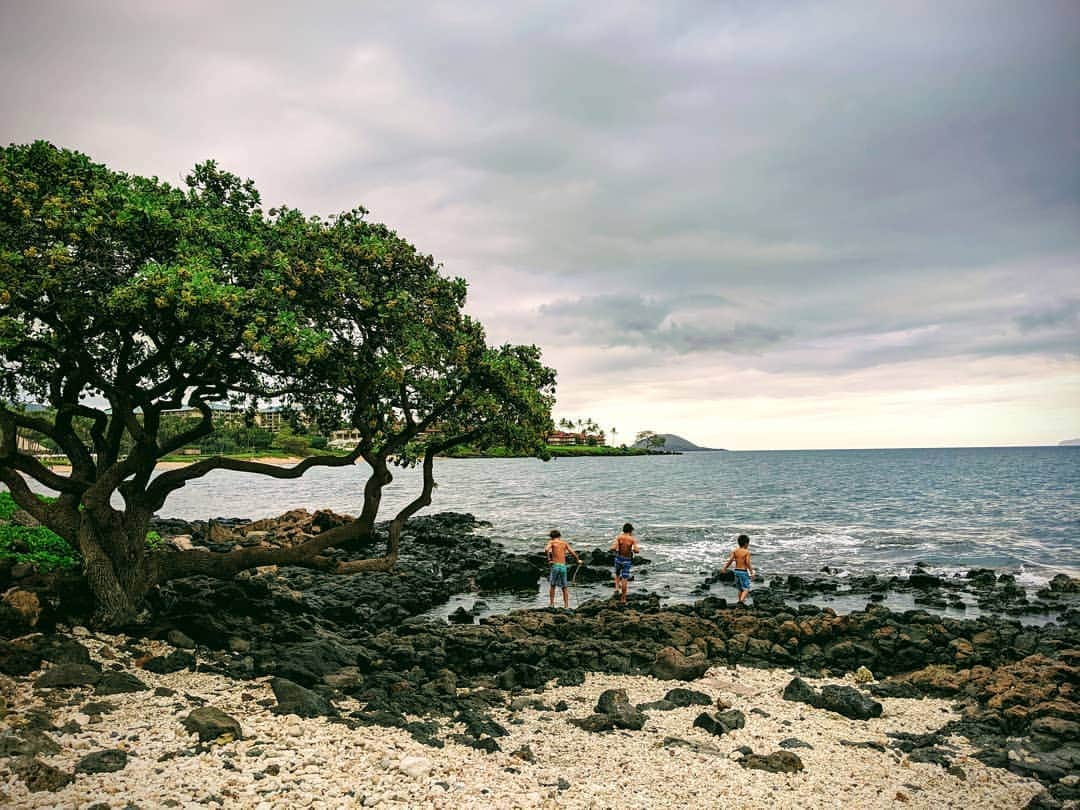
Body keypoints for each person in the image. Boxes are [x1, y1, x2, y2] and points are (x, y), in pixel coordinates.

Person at [545, 530, 581, 608]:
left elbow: (546, 549)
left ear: (551, 537)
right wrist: (578, 560)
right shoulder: (564, 543)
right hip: (563, 566)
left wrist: (549, 560)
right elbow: (572, 552)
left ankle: (551, 604)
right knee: (564, 587)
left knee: (552, 585)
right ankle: (566, 606)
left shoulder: (551, 542)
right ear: (559, 536)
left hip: (555, 566)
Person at [610, 523, 639, 605]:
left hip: (619, 559)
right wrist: (634, 550)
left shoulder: (619, 537)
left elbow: (613, 547)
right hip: (627, 560)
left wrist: (613, 550)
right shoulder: (632, 539)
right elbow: (637, 550)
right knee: (624, 579)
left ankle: (616, 588)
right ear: (631, 530)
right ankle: (623, 599)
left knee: (617, 573)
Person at [721, 533, 755, 605]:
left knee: (740, 589)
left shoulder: (735, 551)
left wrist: (724, 568)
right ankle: (741, 601)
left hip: (736, 571)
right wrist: (751, 572)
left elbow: (730, 561)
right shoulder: (747, 552)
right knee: (746, 588)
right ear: (746, 543)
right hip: (743, 572)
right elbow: (747, 563)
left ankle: (740, 602)